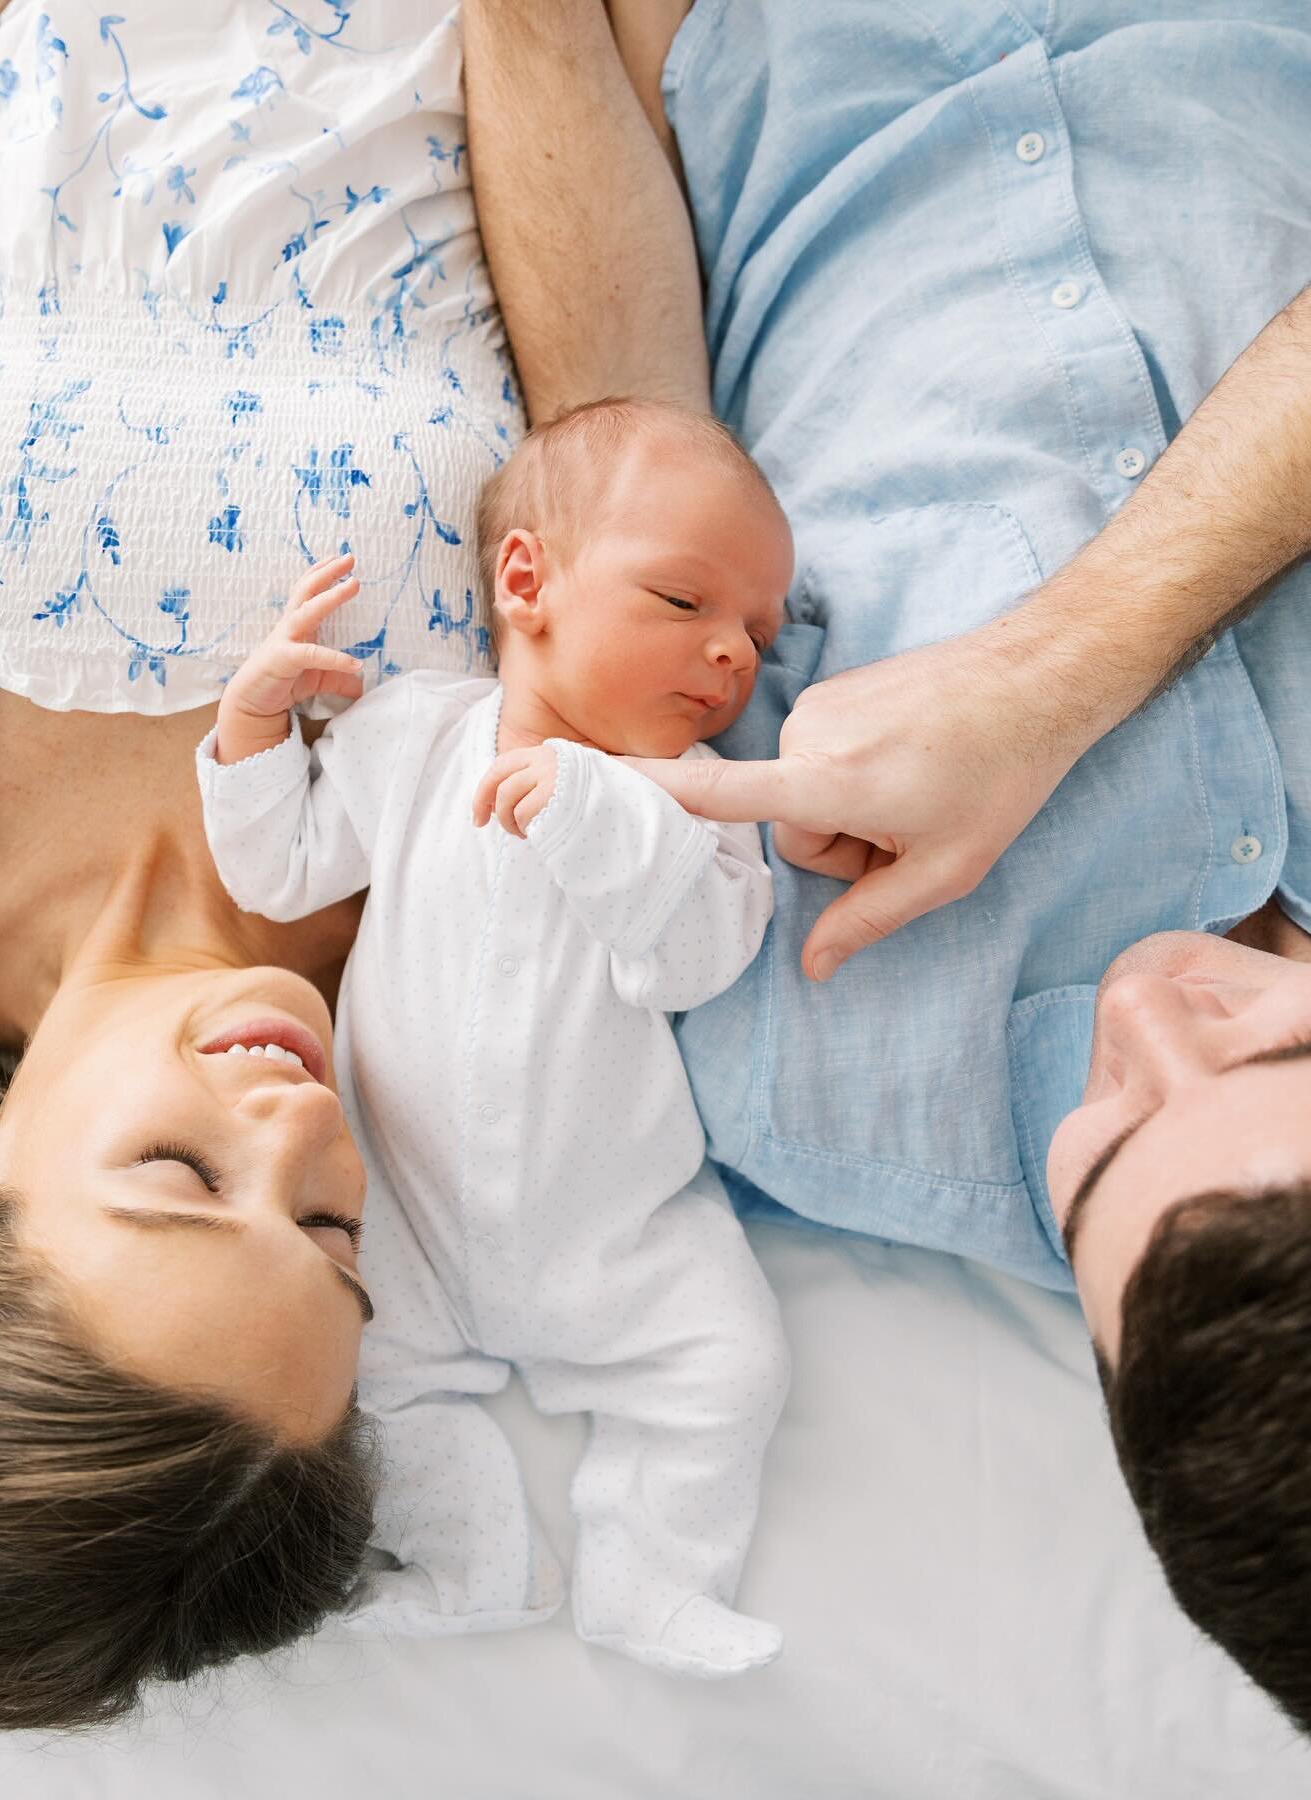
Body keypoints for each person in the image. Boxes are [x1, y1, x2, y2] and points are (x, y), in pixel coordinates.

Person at [463, 0, 1311, 1734]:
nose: (1152, 1007)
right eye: (1280, 1045)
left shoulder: (785, 1070)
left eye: (1101, 1156)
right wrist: (1044, 680)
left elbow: (626, 484)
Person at [0, 0, 518, 1731]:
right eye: (327, 1233)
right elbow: (622, 419)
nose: (302, 1133)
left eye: (179, 1177)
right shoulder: (460, 904)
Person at [196, 398, 794, 1677]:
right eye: (688, 604)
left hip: (618, 1220)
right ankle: (473, 1563)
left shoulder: (697, 804)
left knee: (731, 1369)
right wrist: (251, 730)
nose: (736, 655)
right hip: (404, 1208)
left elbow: (693, 959)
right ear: (529, 582)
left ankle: (651, 1579)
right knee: (370, 1388)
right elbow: (282, 872)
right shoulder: (412, 734)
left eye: (761, 630)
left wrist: (601, 820)